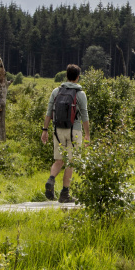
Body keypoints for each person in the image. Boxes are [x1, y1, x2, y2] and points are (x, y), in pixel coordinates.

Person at [41, 64, 90, 203]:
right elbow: (85, 116)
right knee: (71, 162)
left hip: (58, 130)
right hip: (74, 131)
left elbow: (49, 112)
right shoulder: (80, 94)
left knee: (59, 160)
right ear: (78, 77)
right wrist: (87, 135)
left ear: (66, 76)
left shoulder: (56, 91)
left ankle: (51, 180)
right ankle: (64, 194)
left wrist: (45, 130)